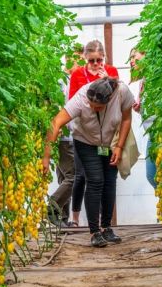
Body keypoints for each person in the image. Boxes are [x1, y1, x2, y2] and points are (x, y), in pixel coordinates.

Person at [42, 77, 134, 248]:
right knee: (95, 180)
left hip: (109, 143)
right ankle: (94, 232)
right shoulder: (81, 98)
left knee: (109, 182)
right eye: (91, 104)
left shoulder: (122, 92)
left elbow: (127, 118)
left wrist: (119, 147)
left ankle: (106, 227)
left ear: (109, 99)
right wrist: (46, 156)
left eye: (97, 107)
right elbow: (56, 123)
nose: (92, 108)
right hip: (85, 142)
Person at [68, 40, 119, 227]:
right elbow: (72, 102)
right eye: (92, 61)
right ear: (85, 58)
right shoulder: (77, 75)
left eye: (99, 60)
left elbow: (118, 101)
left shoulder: (111, 72)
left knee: (106, 179)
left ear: (104, 58)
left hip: (106, 137)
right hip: (85, 134)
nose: (96, 64)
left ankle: (103, 223)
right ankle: (76, 218)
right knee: (82, 175)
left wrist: (108, 81)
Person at [47, 45, 84, 227]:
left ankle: (62, 219)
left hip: (67, 135)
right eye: (80, 59)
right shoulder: (62, 82)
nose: (81, 64)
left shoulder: (69, 80)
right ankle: (52, 207)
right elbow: (55, 105)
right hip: (64, 135)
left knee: (64, 176)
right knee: (74, 176)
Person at [128, 48, 157, 189]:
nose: (132, 61)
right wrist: (140, 109)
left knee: (155, 176)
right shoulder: (142, 82)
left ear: (146, 55)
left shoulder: (156, 77)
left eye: (134, 57)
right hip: (152, 134)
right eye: (131, 58)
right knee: (152, 176)